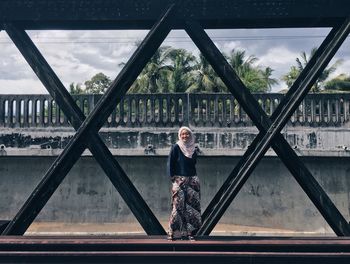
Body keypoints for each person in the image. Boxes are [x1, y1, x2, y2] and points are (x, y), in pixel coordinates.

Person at [167, 126, 201, 240]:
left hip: (192, 180)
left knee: (192, 208)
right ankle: (174, 233)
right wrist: (173, 178)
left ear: (190, 135)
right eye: (182, 134)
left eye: (187, 134)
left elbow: (193, 164)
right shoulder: (176, 147)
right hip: (179, 180)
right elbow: (170, 163)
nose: (185, 136)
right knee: (178, 206)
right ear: (179, 136)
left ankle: (190, 233)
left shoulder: (193, 149)